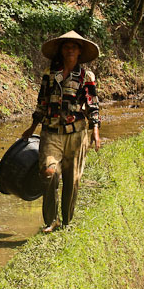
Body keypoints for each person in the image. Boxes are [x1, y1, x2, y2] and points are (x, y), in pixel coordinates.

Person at [21, 31, 101, 233]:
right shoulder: (50, 74)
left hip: (77, 134)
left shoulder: (86, 77)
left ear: (80, 51)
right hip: (51, 132)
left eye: (74, 46)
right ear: (61, 51)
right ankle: (51, 220)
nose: (70, 49)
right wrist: (31, 128)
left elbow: (93, 105)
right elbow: (42, 103)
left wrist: (96, 131)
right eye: (67, 46)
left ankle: (66, 222)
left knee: (71, 179)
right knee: (49, 173)